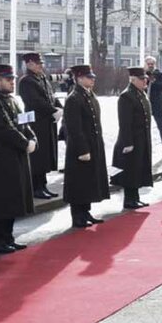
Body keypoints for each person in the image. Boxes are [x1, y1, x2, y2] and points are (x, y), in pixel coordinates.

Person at [0, 63, 35, 254]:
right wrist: (24, 143)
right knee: (0, 200)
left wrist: (32, 136)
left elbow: (23, 121)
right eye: (8, 79)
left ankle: (8, 237)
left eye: (13, 79)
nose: (13, 82)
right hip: (0, 157)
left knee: (12, 198)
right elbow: (3, 129)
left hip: (14, 156)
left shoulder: (11, 99)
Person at [63, 64, 109, 228]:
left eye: (92, 77)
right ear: (79, 78)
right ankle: (77, 215)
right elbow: (74, 128)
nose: (92, 80)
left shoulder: (89, 96)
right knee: (79, 182)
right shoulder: (74, 98)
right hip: (80, 148)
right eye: (89, 77)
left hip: (92, 144)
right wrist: (83, 149)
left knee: (88, 180)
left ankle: (85, 211)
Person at [18, 52, 62, 200]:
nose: (41, 66)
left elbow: (51, 96)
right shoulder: (26, 81)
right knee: (37, 156)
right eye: (38, 63)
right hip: (35, 123)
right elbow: (35, 101)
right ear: (29, 64)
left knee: (45, 155)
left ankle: (42, 185)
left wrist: (60, 108)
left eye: (41, 63)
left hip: (47, 121)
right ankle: (36, 187)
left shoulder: (42, 78)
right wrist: (53, 110)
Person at [113, 67, 154, 210]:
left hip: (142, 138)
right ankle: (129, 199)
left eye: (146, 79)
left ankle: (135, 197)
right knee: (131, 170)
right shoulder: (127, 96)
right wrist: (128, 142)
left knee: (138, 169)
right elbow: (125, 122)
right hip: (131, 139)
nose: (145, 82)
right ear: (133, 80)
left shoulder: (140, 94)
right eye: (142, 79)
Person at [146, 57, 162, 158]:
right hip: (145, 104)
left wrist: (153, 81)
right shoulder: (142, 75)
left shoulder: (160, 75)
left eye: (152, 63)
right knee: (144, 128)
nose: (150, 65)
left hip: (157, 105)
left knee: (161, 127)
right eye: (148, 64)